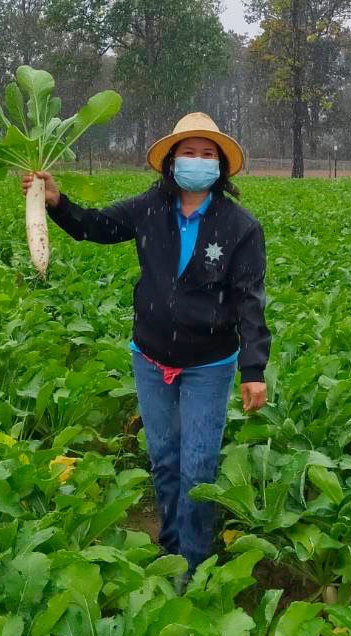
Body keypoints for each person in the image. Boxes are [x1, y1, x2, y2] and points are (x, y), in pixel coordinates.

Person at [21, 112, 269, 580]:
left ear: (221, 166)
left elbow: (250, 301)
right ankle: (171, 547)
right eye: (188, 152)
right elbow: (95, 226)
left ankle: (193, 566)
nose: (197, 160)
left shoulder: (240, 227)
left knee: (198, 467)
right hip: (151, 359)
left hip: (209, 363)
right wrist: (55, 202)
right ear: (171, 160)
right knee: (165, 461)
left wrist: (253, 370)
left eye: (207, 153)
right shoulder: (149, 208)